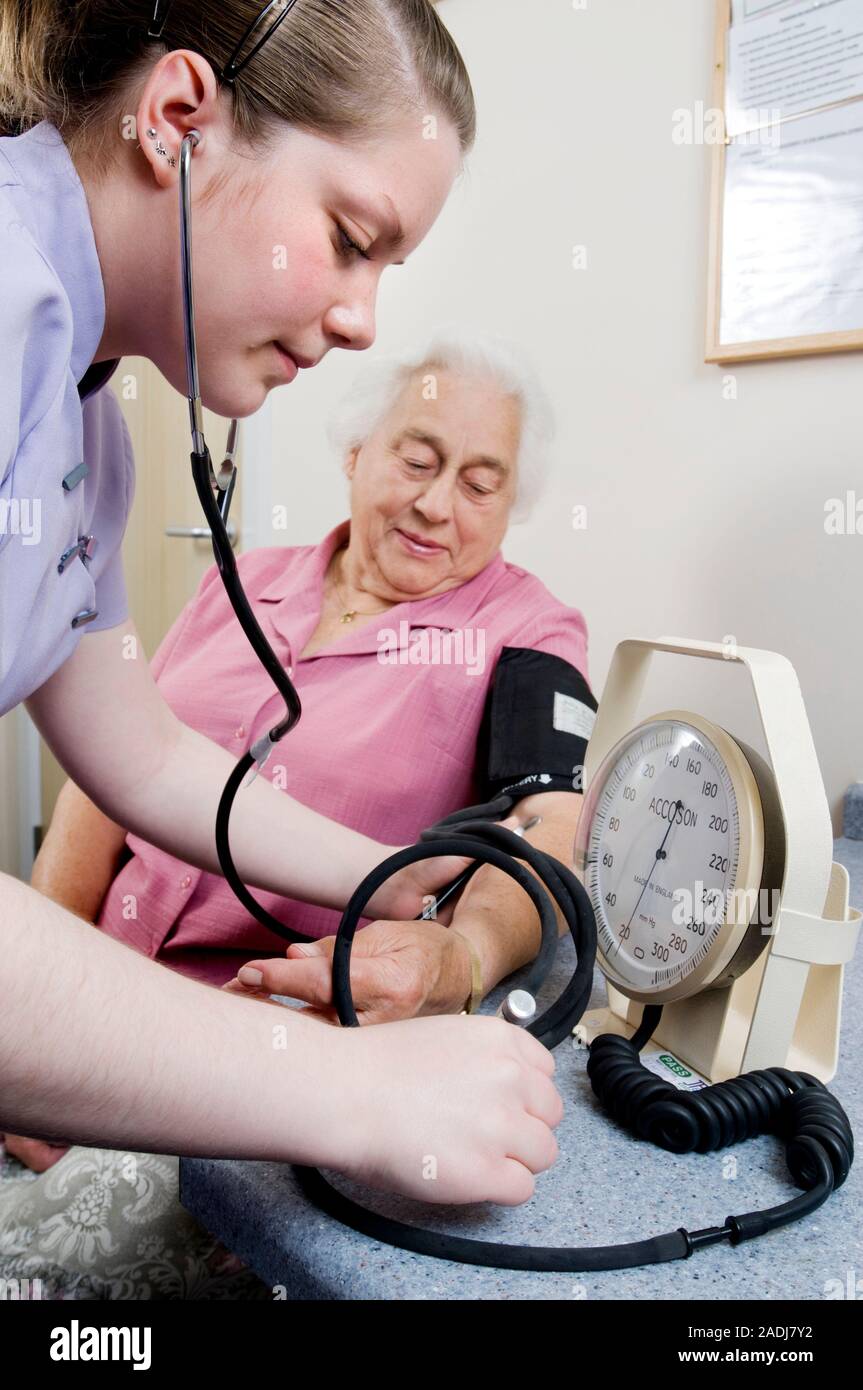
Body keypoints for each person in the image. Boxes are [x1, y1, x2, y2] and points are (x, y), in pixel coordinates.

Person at [0, 0, 561, 1217]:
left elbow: (143, 755)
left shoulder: (85, 421)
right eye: (352, 240)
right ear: (176, 120)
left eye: (481, 481)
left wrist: (399, 886)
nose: (362, 320)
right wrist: (354, 1093)